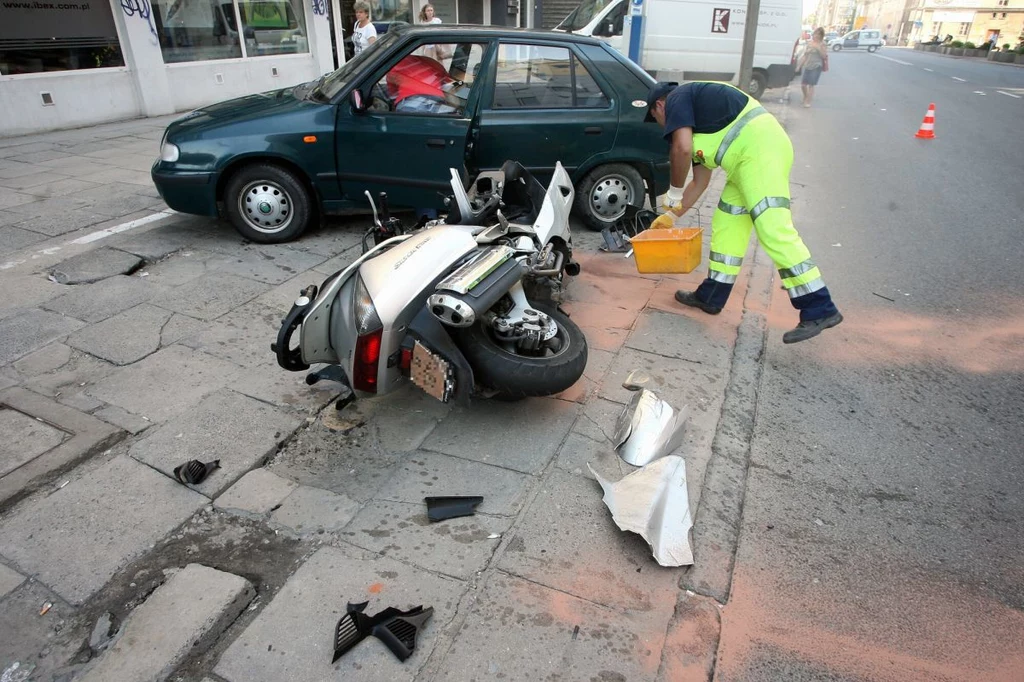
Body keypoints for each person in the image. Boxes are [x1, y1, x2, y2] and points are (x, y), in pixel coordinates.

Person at [645, 81, 842, 343]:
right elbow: (700, 182)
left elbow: (680, 149)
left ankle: (819, 307)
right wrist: (671, 216)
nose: (661, 125)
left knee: (773, 229)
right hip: (743, 163)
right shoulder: (697, 123)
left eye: (655, 118)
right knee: (727, 224)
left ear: (659, 105)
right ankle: (711, 296)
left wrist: (674, 191)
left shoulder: (679, 96)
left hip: (761, 152)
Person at [799, 28, 828, 108]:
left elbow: (824, 56)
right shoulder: (809, 43)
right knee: (803, 85)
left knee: (811, 85)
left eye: (819, 34)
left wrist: (818, 48)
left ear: (821, 36)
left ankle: (808, 101)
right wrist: (799, 66)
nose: (816, 36)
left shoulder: (822, 44)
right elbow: (805, 55)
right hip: (808, 65)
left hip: (816, 66)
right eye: (815, 34)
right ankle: (805, 96)